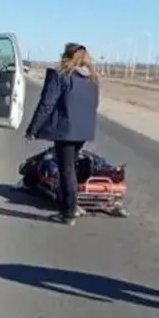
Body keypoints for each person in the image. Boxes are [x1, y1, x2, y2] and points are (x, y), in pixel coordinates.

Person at [24, 43, 100, 225]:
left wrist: (33, 129)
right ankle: (70, 204)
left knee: (66, 170)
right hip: (83, 130)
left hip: (65, 130)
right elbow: (95, 104)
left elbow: (46, 104)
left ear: (66, 56)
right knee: (71, 167)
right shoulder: (92, 79)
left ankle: (69, 211)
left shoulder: (60, 76)